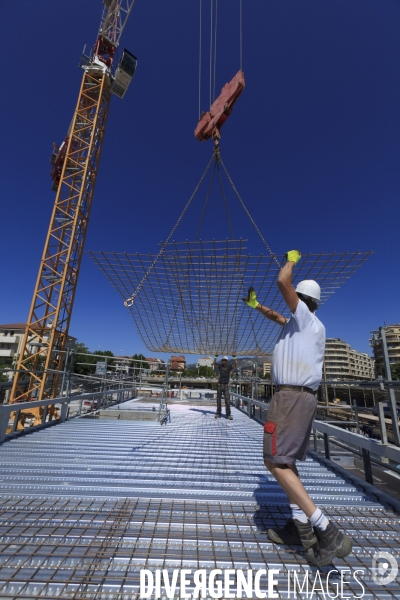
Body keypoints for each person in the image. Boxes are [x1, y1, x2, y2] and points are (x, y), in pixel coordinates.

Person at [242, 250, 352, 568]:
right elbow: (276, 315)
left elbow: (282, 281)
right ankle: (300, 528)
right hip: (297, 398)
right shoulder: (298, 324)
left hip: (290, 398)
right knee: (286, 462)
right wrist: (256, 306)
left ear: (301, 300)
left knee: (273, 461)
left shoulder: (305, 319)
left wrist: (291, 260)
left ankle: (326, 529)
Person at [213, 355, 238, 420]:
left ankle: (228, 414)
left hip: (226, 385)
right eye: (222, 360)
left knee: (227, 401)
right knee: (218, 400)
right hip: (220, 385)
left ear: (227, 361)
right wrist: (215, 357)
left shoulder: (229, 367)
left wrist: (234, 358)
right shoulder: (220, 366)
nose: (223, 361)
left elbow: (236, 364)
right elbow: (214, 364)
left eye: (224, 360)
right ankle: (218, 413)